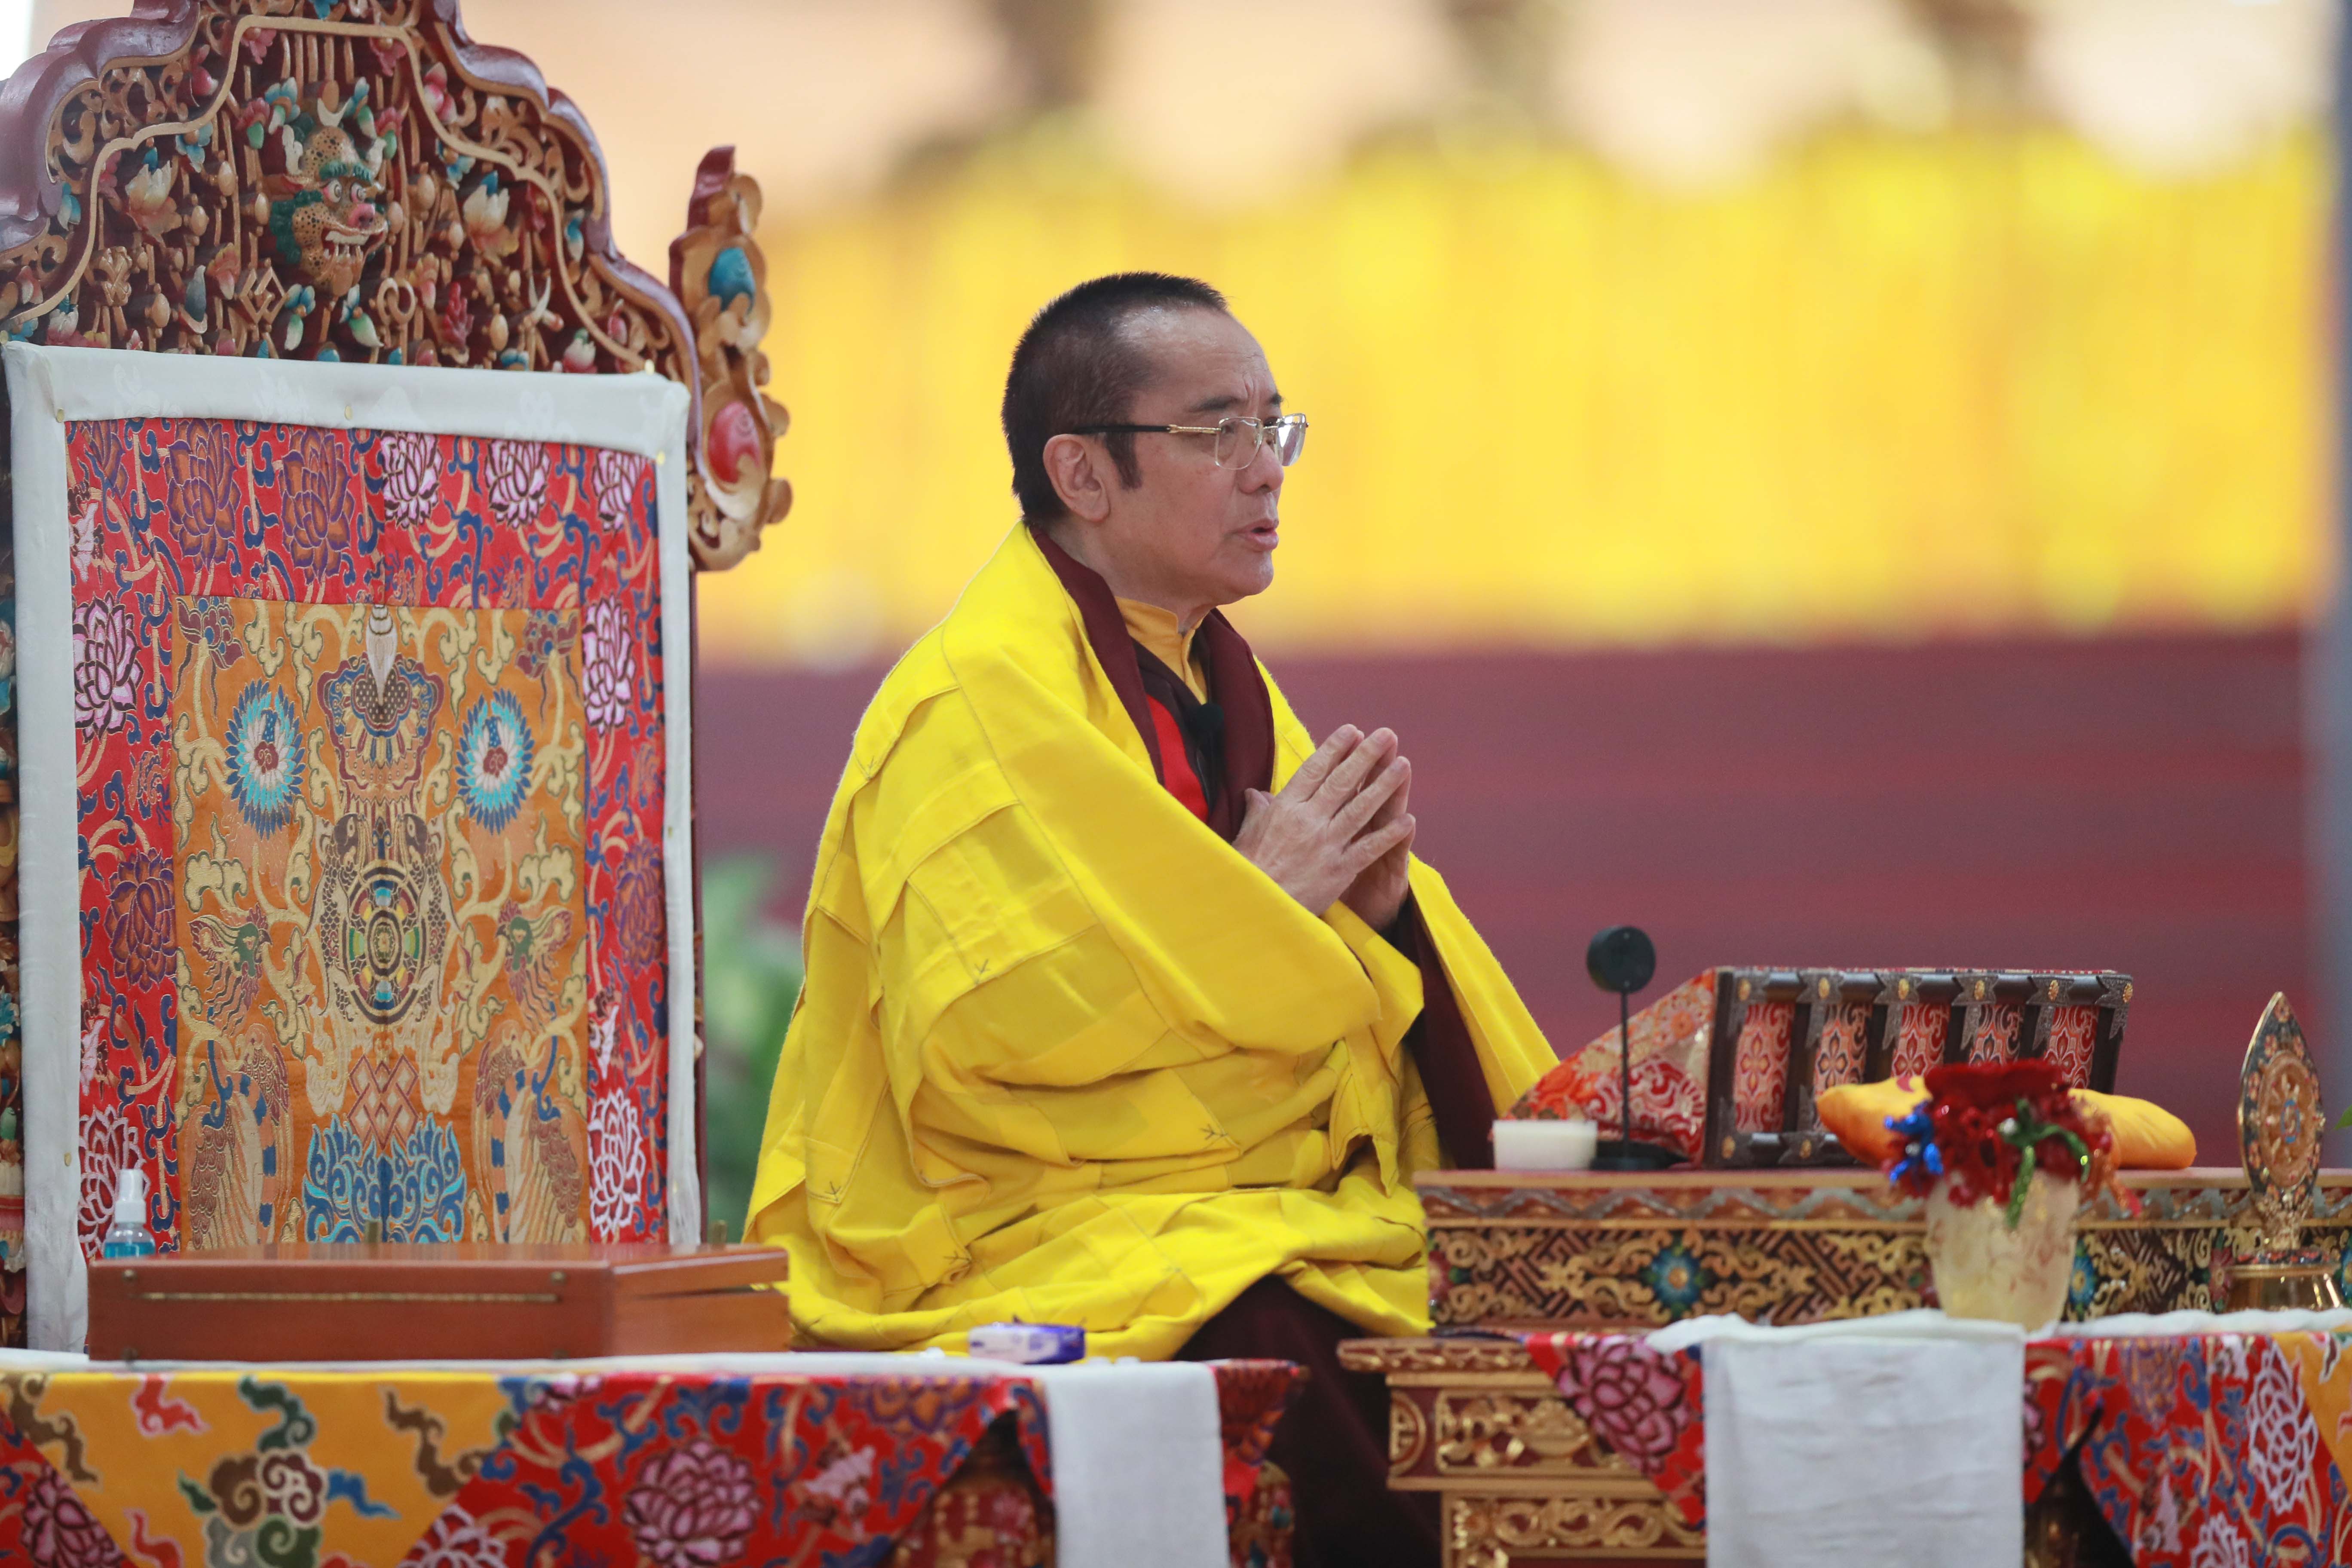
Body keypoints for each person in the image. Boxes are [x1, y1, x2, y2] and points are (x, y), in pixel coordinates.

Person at [748, 273, 1555, 1567]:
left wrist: (1385, 922)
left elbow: (1343, 976)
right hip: (1029, 1232)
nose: (1266, 472)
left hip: (1243, 1212)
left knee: (1516, 1313)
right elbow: (982, 1042)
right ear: (1083, 472)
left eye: (1275, 427)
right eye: (1216, 431)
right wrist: (1265, 907)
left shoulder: (1209, 673)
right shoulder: (967, 709)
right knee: (1294, 1353)